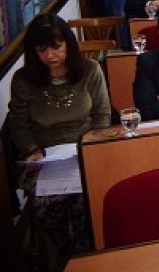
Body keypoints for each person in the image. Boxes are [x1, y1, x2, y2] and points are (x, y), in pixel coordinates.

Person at [7, 13, 111, 260]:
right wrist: (32, 150)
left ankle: (90, 254)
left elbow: (102, 114)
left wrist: (91, 145)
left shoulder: (90, 70)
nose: (50, 56)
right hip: (44, 156)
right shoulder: (23, 80)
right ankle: (68, 256)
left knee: (89, 200)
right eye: (42, 50)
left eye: (56, 47)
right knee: (47, 205)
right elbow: (18, 123)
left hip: (84, 148)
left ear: (69, 44)